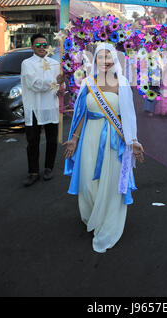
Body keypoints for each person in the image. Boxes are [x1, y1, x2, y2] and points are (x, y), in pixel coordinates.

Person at [63, 43, 144, 253]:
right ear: (95, 60)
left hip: (114, 141)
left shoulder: (122, 83)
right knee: (88, 182)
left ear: (114, 60)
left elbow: (128, 116)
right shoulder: (87, 83)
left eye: (109, 56)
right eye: (101, 57)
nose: (105, 60)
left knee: (110, 183)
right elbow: (81, 114)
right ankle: (93, 215)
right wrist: (74, 139)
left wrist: (133, 141)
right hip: (89, 137)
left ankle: (108, 222)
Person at [21, 33, 63, 187]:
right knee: (33, 141)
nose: (42, 47)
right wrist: (55, 82)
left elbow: (59, 86)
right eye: (38, 45)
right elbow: (35, 84)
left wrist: (60, 86)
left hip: (51, 107)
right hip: (34, 108)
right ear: (32, 46)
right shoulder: (27, 63)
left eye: (44, 44)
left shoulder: (54, 63)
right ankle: (33, 172)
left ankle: (48, 168)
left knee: (52, 140)